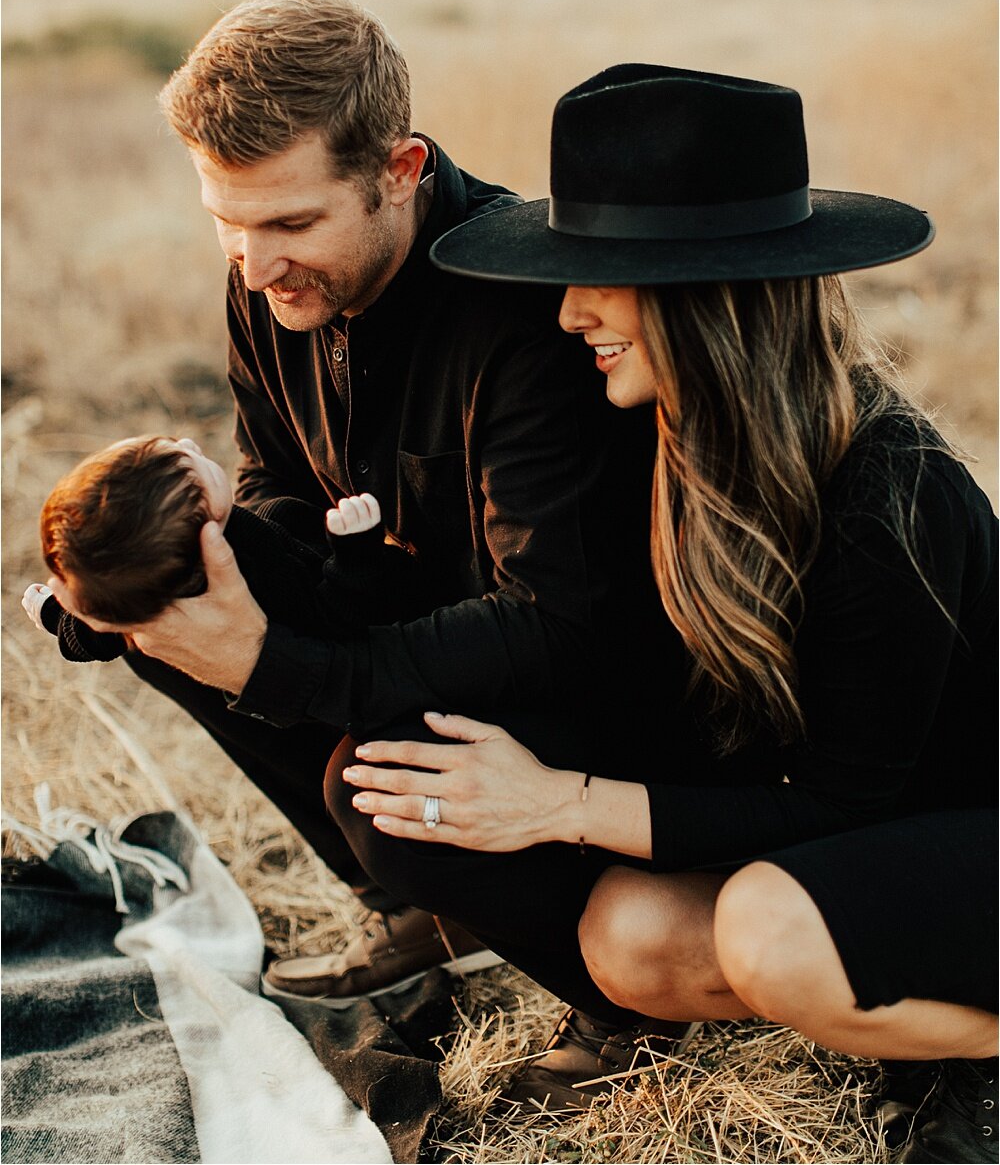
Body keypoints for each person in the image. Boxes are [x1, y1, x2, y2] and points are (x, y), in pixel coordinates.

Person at [327, 64, 998, 1161]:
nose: (567, 310)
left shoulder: (890, 489)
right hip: (859, 842)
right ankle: (881, 998)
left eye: (602, 277)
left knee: (767, 931)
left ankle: (962, 1055)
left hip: (975, 826)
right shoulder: (668, 447)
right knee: (628, 939)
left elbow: (839, 800)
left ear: (708, 293)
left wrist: (558, 804)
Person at [45, 0, 664, 1008]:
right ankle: (431, 914)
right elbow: (278, 480)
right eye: (226, 225)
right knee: (152, 590)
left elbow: (565, 623)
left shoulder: (524, 309)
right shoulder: (270, 275)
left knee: (375, 793)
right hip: (414, 627)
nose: (254, 264)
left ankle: (610, 1000)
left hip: (591, 688)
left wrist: (283, 664)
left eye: (290, 220)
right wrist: (205, 555)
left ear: (400, 171)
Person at [22, 435, 427, 661]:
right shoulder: (261, 574)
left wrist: (61, 616)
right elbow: (335, 618)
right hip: (403, 630)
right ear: (207, 523)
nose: (191, 442)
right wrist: (356, 552)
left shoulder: (164, 589)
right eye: (187, 459)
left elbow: (111, 627)